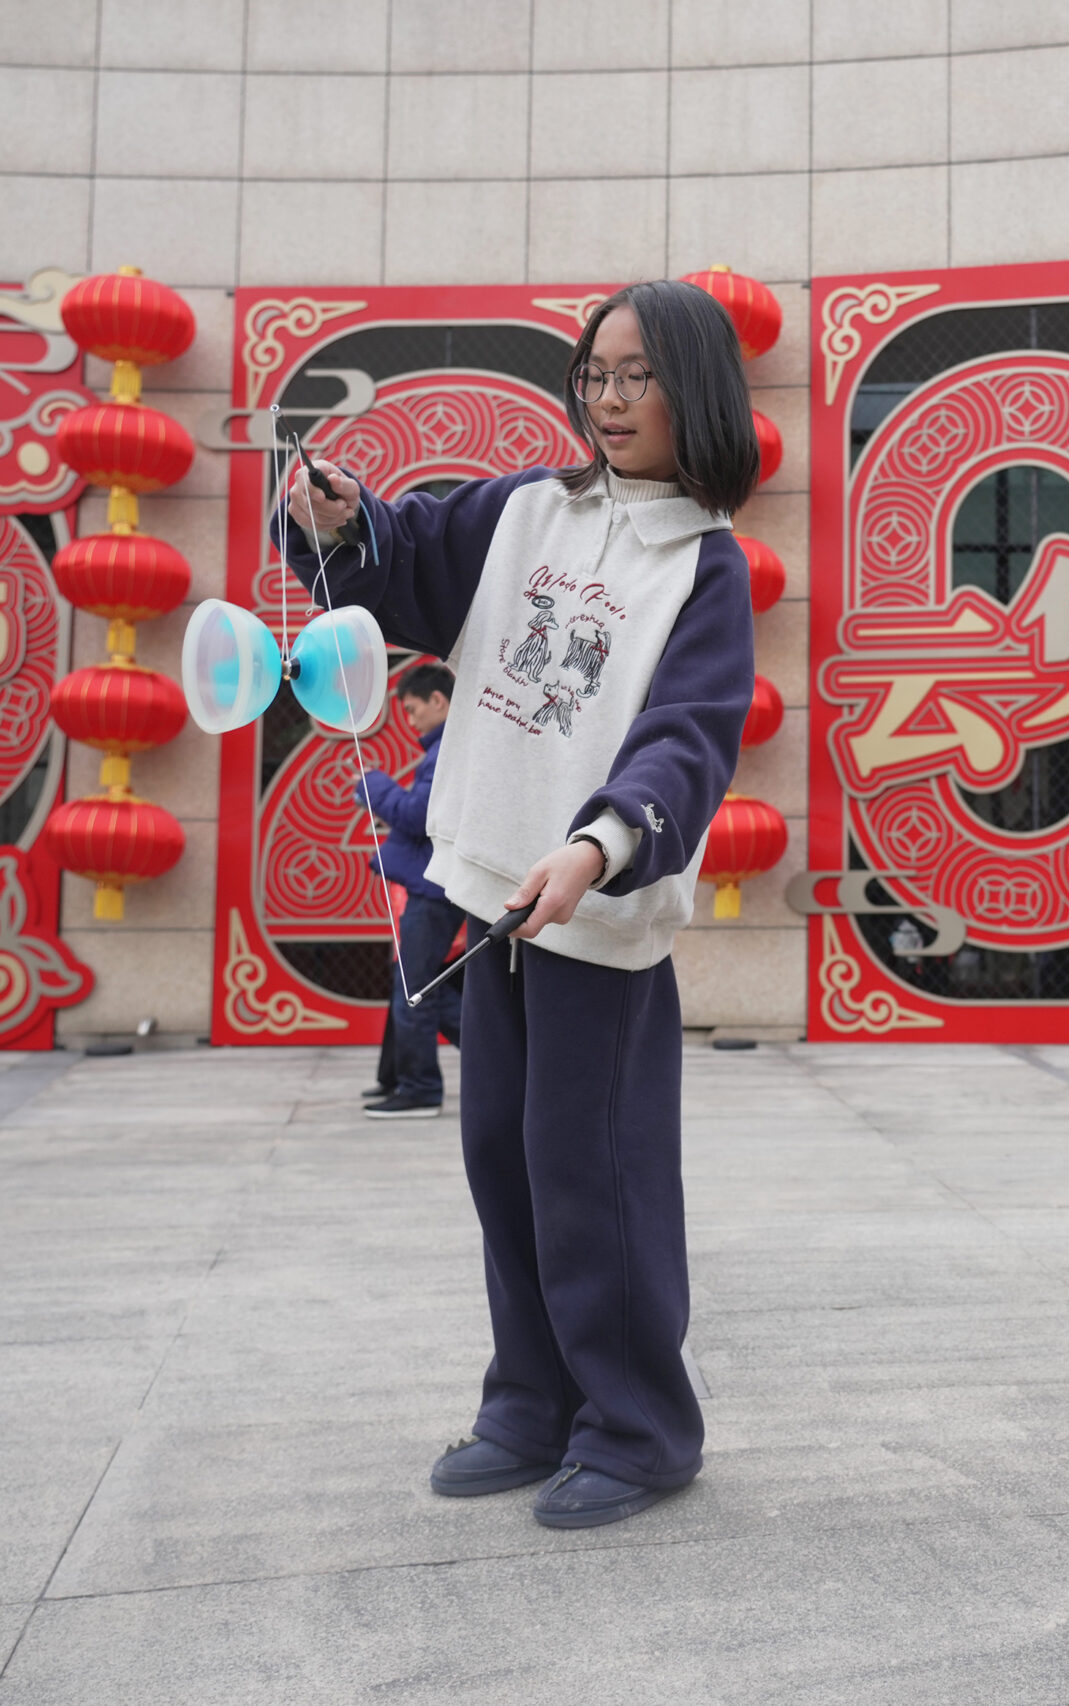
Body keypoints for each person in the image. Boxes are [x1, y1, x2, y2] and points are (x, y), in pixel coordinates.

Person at [283, 279, 759, 1530]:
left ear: (693, 388)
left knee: (592, 1175)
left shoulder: (704, 567)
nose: (608, 398)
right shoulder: (525, 511)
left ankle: (641, 1425)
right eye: (595, 372)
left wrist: (598, 849)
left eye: (637, 374)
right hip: (484, 893)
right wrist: (343, 521)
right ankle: (531, 1402)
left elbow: (685, 740)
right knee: (502, 1161)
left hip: (590, 917)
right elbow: (403, 565)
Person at [357, 664, 464, 1119]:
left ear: (438, 701)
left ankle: (419, 1088)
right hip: (437, 885)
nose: (410, 720)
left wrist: (374, 786)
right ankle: (401, 1078)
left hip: (434, 889)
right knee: (420, 986)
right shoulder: (449, 749)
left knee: (416, 988)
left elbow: (418, 816)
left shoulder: (447, 752)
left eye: (413, 709)